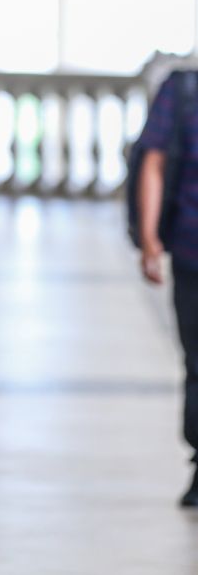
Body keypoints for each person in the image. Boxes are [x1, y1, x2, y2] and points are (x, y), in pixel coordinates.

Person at [137, 70, 198, 507]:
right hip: (191, 247)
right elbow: (154, 161)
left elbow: (154, 161)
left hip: (187, 243)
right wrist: (150, 238)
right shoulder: (182, 90)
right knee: (197, 360)